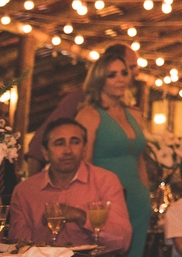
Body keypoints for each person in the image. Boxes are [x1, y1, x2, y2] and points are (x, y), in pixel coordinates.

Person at [9, 118, 132, 251]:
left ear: (84, 148)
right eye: (59, 143)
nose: (68, 150)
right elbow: (19, 246)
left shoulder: (105, 181)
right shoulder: (25, 191)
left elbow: (123, 242)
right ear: (45, 152)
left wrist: (82, 217)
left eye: (75, 142)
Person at [75, 50, 152, 257]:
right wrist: (92, 205)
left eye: (123, 73)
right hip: (106, 201)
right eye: (112, 75)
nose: (120, 79)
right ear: (99, 79)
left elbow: (140, 160)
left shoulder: (134, 114)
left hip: (138, 199)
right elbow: (84, 164)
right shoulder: (89, 114)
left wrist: (147, 196)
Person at [25, 44, 137, 175]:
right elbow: (39, 143)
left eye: (125, 72)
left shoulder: (127, 109)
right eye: (131, 67)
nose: (136, 72)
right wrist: (34, 185)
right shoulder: (81, 99)